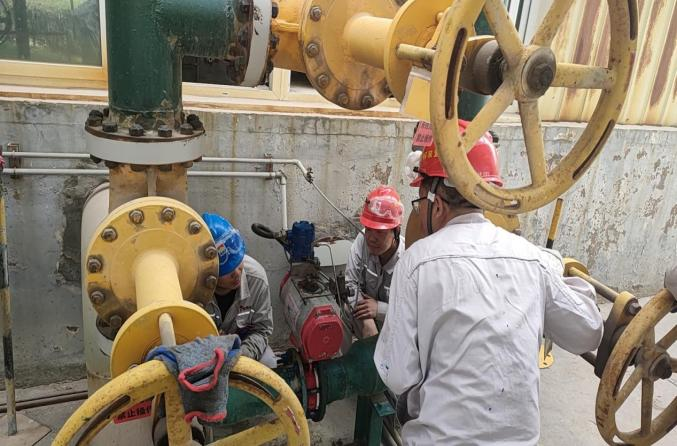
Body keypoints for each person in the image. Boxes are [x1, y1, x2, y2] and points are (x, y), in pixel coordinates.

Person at [374, 121, 604, 444]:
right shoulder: (531, 258)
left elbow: (397, 374)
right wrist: (559, 270)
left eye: (420, 200)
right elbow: (588, 332)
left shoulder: (416, 263)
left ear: (437, 203)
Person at [202, 213, 277, 368]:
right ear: (209, 272)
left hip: (243, 347)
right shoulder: (191, 288)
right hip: (204, 351)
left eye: (238, 263)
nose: (237, 273)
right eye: (228, 270)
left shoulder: (257, 280)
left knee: (268, 362)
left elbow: (262, 330)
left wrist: (242, 355)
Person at [345, 185, 405, 338]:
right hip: (366, 315)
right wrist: (368, 321)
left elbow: (413, 311)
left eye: (380, 231)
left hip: (395, 325)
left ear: (396, 231)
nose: (371, 238)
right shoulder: (362, 240)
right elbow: (351, 284)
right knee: (345, 309)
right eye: (369, 229)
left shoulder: (408, 259)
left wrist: (379, 309)